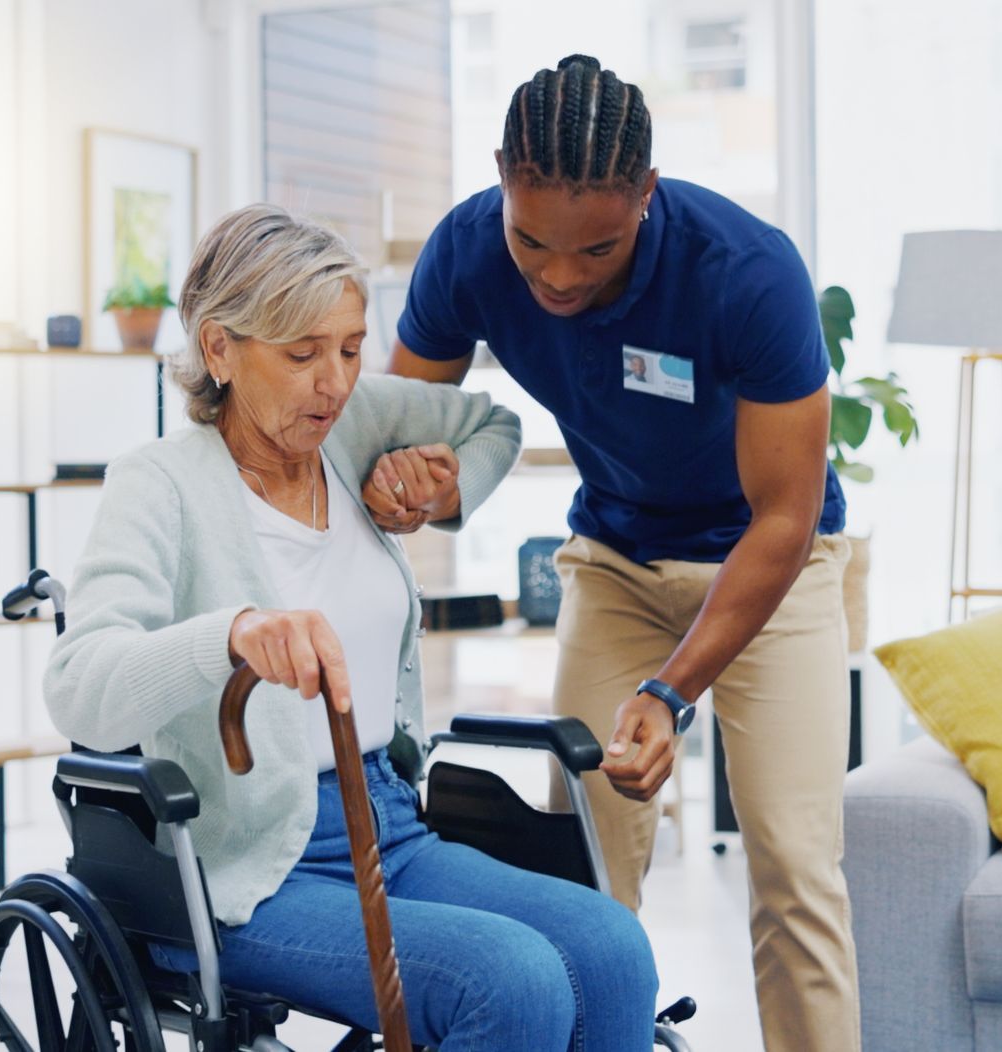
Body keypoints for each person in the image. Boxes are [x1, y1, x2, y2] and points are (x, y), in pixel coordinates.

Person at [46, 204, 658, 1051]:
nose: (334, 382)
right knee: (511, 980)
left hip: (389, 822)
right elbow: (81, 688)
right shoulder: (160, 485)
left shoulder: (350, 424)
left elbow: (494, 424)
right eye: (302, 355)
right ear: (219, 349)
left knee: (612, 949)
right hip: (245, 860)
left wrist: (442, 492)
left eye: (349, 347)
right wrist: (230, 634)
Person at [388, 53, 862, 1052]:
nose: (558, 276)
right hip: (617, 562)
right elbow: (399, 431)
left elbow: (783, 517)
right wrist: (417, 483)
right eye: (532, 242)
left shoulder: (748, 273)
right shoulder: (467, 250)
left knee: (793, 869)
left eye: (594, 249)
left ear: (646, 194)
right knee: (588, 874)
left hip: (774, 573)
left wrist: (672, 691)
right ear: (499, 184)